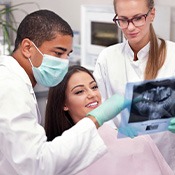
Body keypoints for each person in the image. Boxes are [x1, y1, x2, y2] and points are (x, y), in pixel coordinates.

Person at [0, 9, 130, 175]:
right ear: (27, 48)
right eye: (58, 53)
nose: (64, 62)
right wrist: (95, 118)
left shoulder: (16, 83)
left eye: (67, 54)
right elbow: (38, 164)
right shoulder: (9, 87)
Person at [93, 0, 175, 172]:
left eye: (138, 18)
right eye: (123, 20)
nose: (130, 28)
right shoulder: (107, 58)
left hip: (166, 158)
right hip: (122, 159)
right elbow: (99, 111)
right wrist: (115, 129)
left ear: (152, 14)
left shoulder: (172, 55)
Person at [45, 65, 174, 175]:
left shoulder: (135, 138)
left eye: (94, 87)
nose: (92, 94)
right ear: (64, 104)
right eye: (79, 92)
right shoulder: (62, 154)